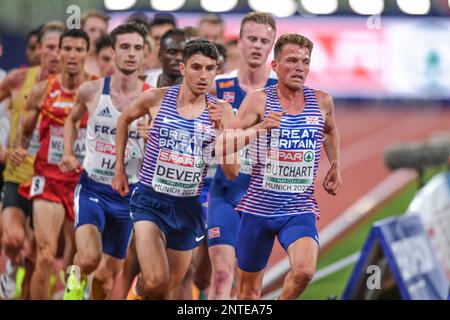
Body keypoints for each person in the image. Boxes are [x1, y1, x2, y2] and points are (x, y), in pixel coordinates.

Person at [217, 33, 341, 299]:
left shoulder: (321, 101)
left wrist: (335, 165)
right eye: (292, 60)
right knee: (248, 292)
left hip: (298, 207)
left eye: (305, 62)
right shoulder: (258, 101)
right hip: (258, 209)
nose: (300, 67)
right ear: (274, 66)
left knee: (305, 271)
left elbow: (330, 130)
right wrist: (261, 127)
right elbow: (223, 145)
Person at [112, 39, 236, 300]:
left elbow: (232, 170)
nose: (203, 75)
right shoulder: (156, 98)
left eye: (210, 68)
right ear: (182, 68)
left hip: (187, 208)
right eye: (196, 67)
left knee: (166, 289)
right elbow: (124, 119)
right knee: (156, 280)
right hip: (150, 201)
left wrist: (221, 131)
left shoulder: (222, 111)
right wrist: (120, 169)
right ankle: (135, 292)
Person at [59, 22, 149, 300]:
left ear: (144, 53)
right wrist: (67, 152)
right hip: (93, 188)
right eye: (124, 47)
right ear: (113, 51)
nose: (131, 54)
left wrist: (152, 136)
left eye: (137, 48)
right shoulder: (92, 91)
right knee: (88, 258)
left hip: (128, 195)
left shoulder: (152, 98)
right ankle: (74, 286)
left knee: (108, 276)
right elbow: (71, 120)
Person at [11, 29, 92, 300]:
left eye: (78, 49)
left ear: (86, 54)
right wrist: (20, 149)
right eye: (65, 48)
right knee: (45, 256)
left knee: (76, 260)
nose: (70, 55)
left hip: (83, 184)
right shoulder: (41, 89)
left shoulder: (96, 90)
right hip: (48, 179)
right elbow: (25, 132)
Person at [207, 12, 278, 300]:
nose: (257, 46)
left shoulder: (281, 90)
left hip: (261, 196)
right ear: (240, 41)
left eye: (264, 40)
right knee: (222, 274)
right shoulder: (217, 85)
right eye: (252, 39)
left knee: (249, 288)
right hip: (225, 190)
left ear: (272, 44)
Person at [0, 22, 64, 300]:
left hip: (50, 180)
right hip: (17, 172)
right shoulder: (17, 79)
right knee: (13, 239)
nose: (56, 53)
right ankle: (10, 268)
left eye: (61, 48)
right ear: (39, 50)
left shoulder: (77, 86)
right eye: (50, 47)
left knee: (41, 254)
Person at [81, 10, 110, 77]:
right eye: (92, 30)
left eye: (102, 31)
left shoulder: (112, 64)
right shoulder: (72, 61)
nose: (97, 35)